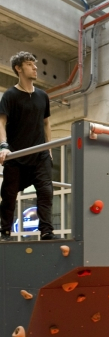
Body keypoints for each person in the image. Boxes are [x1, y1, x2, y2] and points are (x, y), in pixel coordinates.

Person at [0, 52, 54, 241]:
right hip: (16, 155)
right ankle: (5, 232)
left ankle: (47, 231)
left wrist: (49, 148)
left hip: (40, 154)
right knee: (8, 195)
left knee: (46, 191)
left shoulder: (42, 96)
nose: (35, 68)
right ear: (18, 68)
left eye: (35, 64)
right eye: (30, 64)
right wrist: (3, 146)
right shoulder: (10, 95)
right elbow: (1, 122)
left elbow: (46, 123)